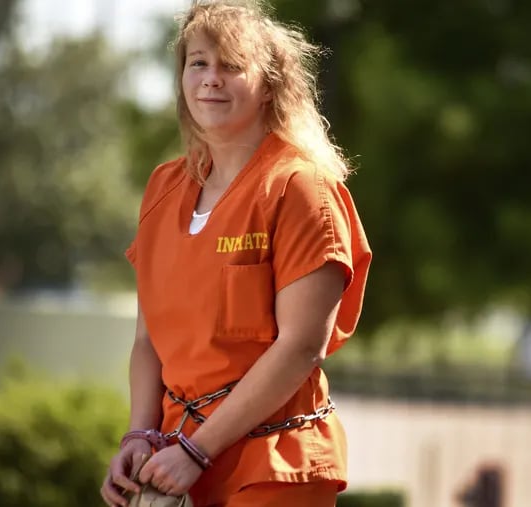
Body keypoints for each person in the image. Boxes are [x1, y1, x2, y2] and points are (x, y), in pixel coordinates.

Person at [100, 1, 371, 506]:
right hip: (175, 461)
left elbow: (301, 347)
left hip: (273, 467)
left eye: (231, 65)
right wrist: (139, 435)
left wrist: (197, 450)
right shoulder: (163, 186)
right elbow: (148, 340)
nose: (210, 78)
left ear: (269, 85)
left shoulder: (301, 187)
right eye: (198, 62)